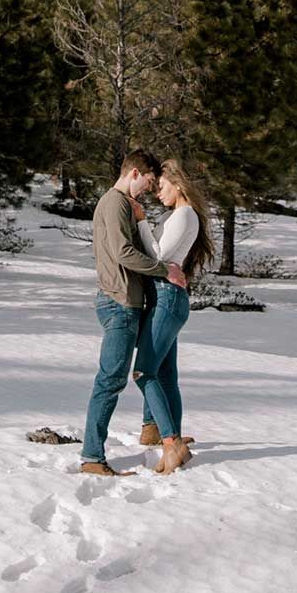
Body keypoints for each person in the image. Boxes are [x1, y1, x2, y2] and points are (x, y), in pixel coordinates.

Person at [76, 149, 184, 477]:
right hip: (120, 303)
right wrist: (164, 269)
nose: (150, 190)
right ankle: (92, 457)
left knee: (156, 366)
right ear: (135, 173)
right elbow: (124, 253)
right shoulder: (115, 202)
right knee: (110, 381)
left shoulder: (122, 204)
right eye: (149, 182)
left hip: (127, 303)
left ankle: (154, 429)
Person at [134, 157, 215, 474]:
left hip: (167, 299)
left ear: (178, 184)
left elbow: (159, 256)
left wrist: (140, 222)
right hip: (165, 298)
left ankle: (171, 443)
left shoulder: (183, 214)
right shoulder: (176, 215)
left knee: (143, 373)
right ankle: (165, 432)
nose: (158, 194)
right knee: (166, 375)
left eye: (163, 187)